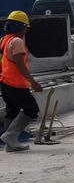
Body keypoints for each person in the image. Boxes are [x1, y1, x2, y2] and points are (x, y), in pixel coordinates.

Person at [0, 11, 42, 152]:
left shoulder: (4, 40)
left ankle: (10, 145)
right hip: (16, 84)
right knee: (31, 109)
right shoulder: (17, 41)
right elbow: (20, 64)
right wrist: (33, 82)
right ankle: (11, 135)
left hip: (5, 82)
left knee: (12, 111)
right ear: (22, 27)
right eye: (25, 28)